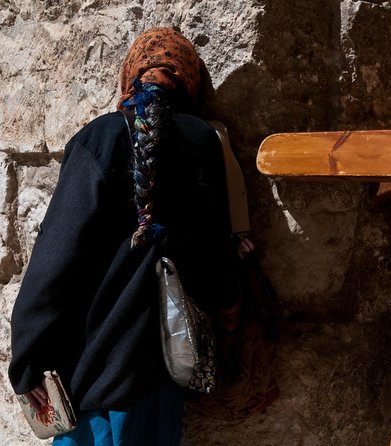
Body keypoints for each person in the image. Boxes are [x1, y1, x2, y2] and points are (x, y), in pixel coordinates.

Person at [9, 27, 241, 445]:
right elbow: (214, 258)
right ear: (188, 84)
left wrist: (26, 361)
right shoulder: (203, 142)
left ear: (129, 76)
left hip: (95, 378)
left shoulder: (100, 139)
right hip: (163, 378)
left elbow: (54, 260)